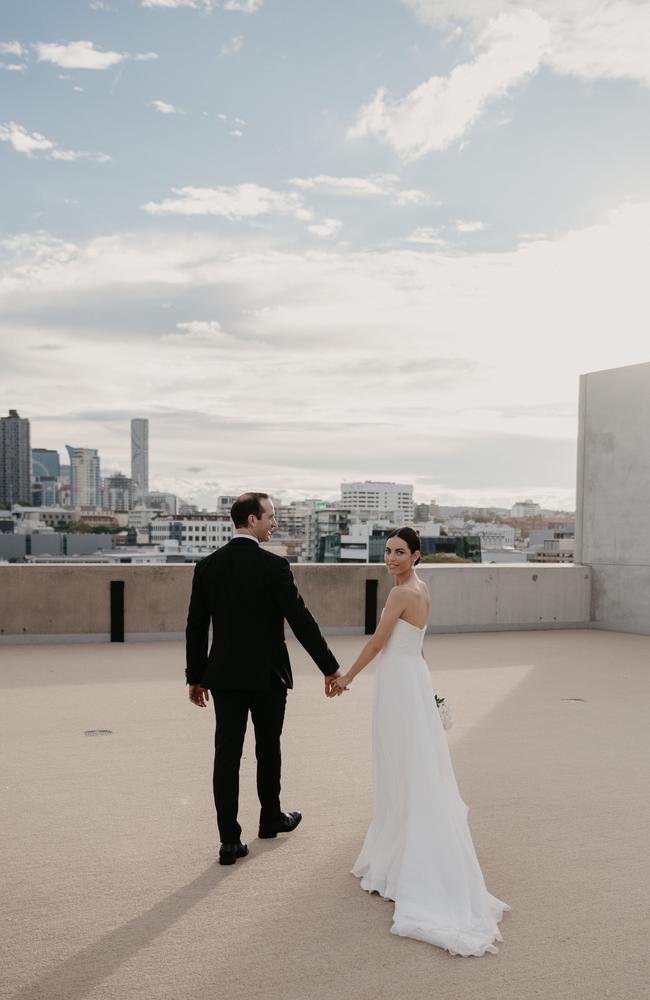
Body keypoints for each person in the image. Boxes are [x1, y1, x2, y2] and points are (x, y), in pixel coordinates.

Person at [331, 526, 510, 956]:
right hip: (412, 678)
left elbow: (378, 642)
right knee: (410, 764)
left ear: (415, 556)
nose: (391, 558)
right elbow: (418, 646)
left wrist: (347, 677)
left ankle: (404, 858)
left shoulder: (399, 594)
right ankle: (397, 850)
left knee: (399, 764)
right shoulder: (422, 588)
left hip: (398, 682)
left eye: (399, 553)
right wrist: (429, 693)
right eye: (388, 551)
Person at [186, 492, 342, 865]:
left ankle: (229, 841)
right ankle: (270, 818)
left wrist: (195, 676)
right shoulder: (274, 566)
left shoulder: (208, 566)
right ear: (252, 520)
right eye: (271, 516)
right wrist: (330, 668)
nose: (275, 523)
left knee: (227, 755)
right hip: (268, 676)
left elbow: (196, 626)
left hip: (223, 676)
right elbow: (301, 620)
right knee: (267, 748)